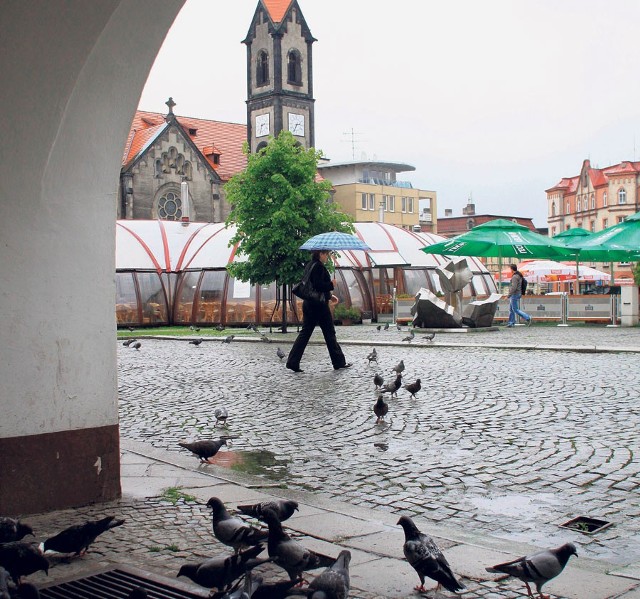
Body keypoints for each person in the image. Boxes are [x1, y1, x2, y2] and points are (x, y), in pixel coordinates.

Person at [286, 250, 352, 372]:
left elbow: (312, 286)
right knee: (329, 333)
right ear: (320, 254)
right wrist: (331, 284)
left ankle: (292, 362)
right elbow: (318, 285)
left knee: (306, 333)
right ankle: (339, 362)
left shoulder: (310, 264)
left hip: (309, 304)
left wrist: (329, 296)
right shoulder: (319, 267)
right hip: (319, 306)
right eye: (326, 254)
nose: (327, 256)